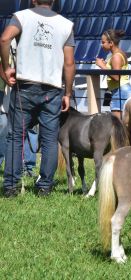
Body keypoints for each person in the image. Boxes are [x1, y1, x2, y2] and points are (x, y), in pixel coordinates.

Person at [0, 0, 75, 197]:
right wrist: (67, 93)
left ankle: (10, 186)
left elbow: (4, 39)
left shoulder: (22, 16)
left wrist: (6, 68)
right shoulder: (66, 25)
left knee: (16, 136)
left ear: (33, 0)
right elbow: (69, 63)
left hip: (25, 85)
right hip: (52, 88)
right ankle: (45, 188)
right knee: (50, 139)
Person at [95, 29, 131, 120]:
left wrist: (102, 66)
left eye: (103, 42)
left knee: (118, 126)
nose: (101, 45)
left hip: (120, 91)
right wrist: (106, 65)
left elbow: (116, 77)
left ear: (111, 43)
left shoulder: (116, 56)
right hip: (122, 90)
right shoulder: (118, 54)